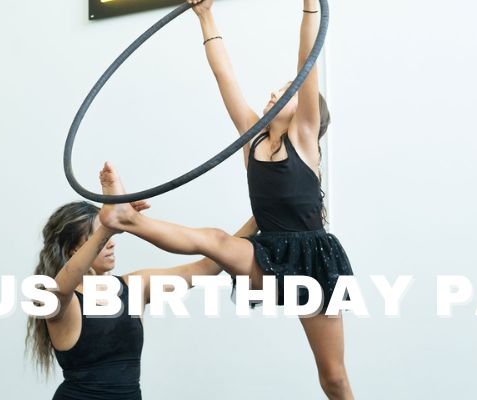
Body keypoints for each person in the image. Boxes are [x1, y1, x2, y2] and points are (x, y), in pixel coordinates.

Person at [99, 4, 353, 397]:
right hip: (267, 251)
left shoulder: (304, 138)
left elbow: (308, 61)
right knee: (214, 240)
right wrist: (205, 16)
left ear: (304, 109)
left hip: (312, 258)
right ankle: (126, 220)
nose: (272, 93)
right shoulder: (251, 139)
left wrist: (308, 7)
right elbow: (225, 76)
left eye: (285, 92)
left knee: (333, 377)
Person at [26, 200, 257, 399]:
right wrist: (109, 225)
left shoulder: (134, 286)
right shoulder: (55, 299)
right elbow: (63, 285)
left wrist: (258, 219)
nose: (112, 242)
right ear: (73, 251)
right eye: (98, 235)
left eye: (110, 234)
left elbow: (207, 267)